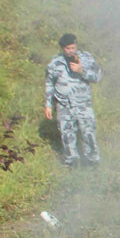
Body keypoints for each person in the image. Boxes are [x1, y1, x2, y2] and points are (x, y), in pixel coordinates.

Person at [44, 33, 102, 167]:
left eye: (72, 47)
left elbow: (97, 77)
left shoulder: (86, 58)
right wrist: (48, 104)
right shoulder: (55, 63)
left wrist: (82, 71)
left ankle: (92, 162)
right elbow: (49, 83)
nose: (71, 51)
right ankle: (72, 163)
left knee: (88, 132)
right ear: (62, 48)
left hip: (83, 104)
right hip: (64, 104)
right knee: (67, 134)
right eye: (67, 48)